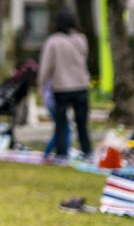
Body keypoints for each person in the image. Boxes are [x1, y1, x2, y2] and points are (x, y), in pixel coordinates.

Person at [38, 9, 91, 160]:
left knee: (61, 123)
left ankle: (62, 153)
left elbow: (46, 66)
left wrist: (41, 85)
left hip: (61, 87)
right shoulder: (81, 39)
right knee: (82, 122)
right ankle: (86, 150)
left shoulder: (53, 41)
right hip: (81, 86)